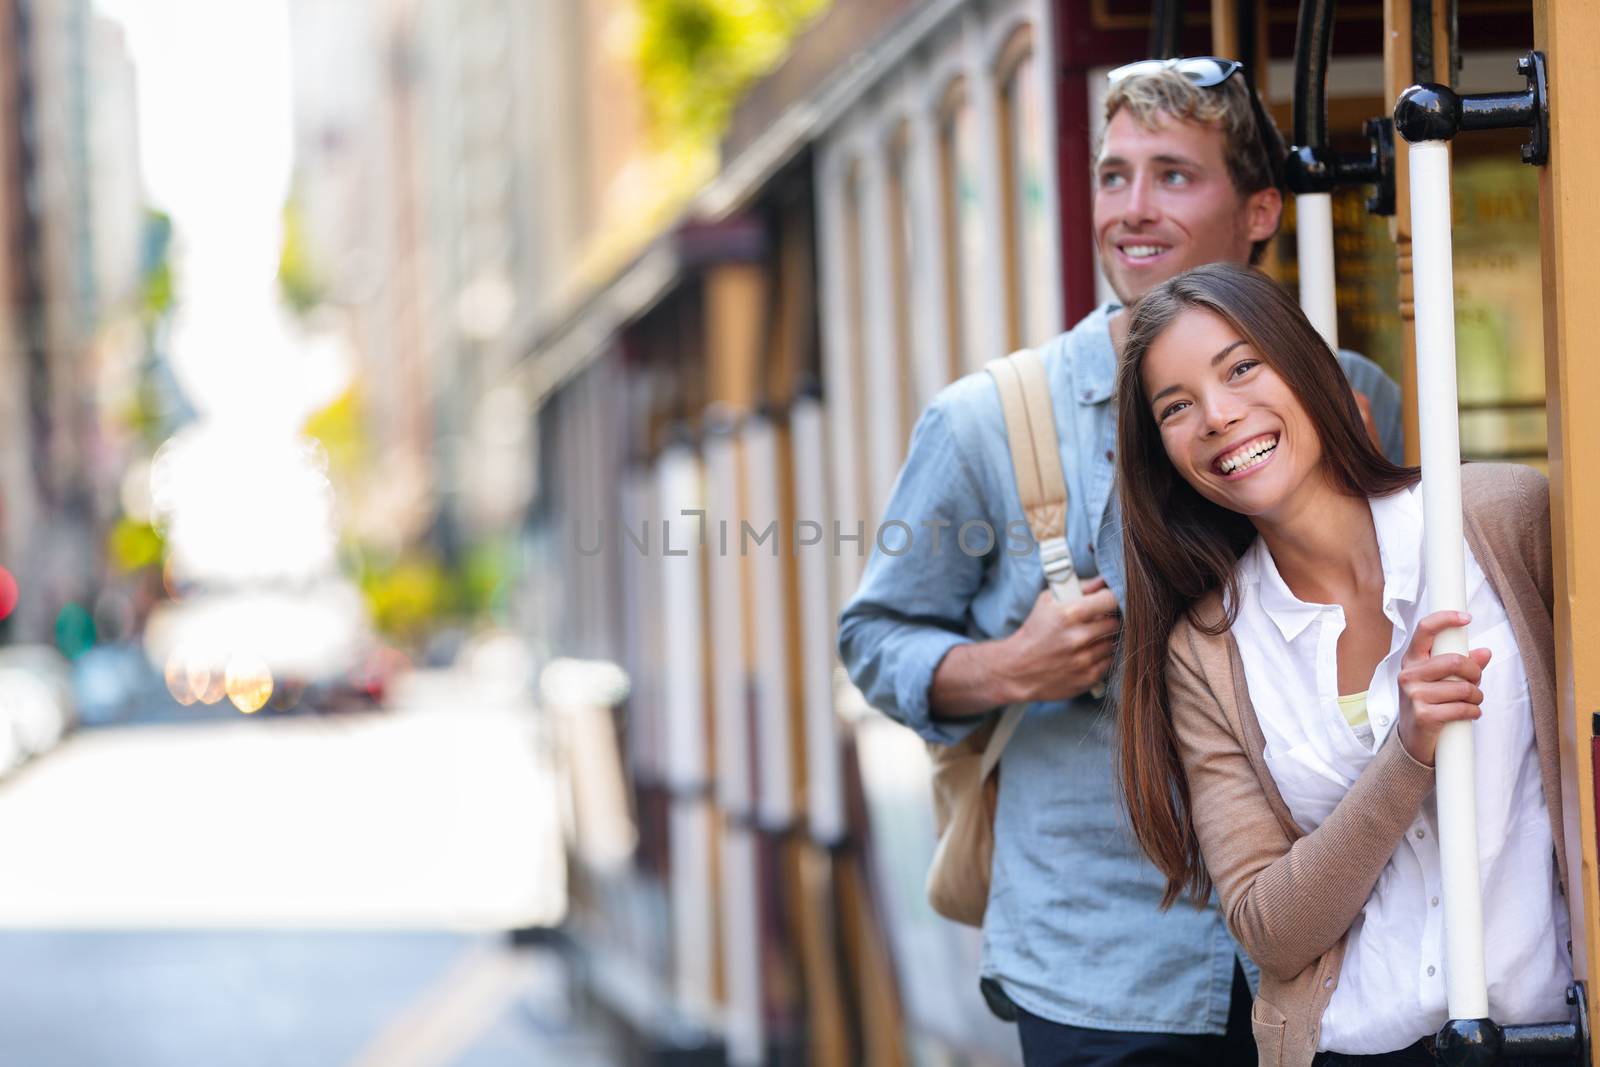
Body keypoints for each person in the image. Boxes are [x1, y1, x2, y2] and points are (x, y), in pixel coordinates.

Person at [837, 58, 1403, 1065]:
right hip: (1104, 968)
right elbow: (872, 635)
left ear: (1260, 209)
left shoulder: (1354, 395)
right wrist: (1009, 667)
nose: (1130, 210)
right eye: (1112, 175)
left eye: (1173, 176)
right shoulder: (983, 421)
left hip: (1339, 947)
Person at [1114, 262, 1572, 1067]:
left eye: (1242, 367)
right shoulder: (1209, 650)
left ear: (1307, 365)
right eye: (1176, 407)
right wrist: (1407, 753)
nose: (1218, 416)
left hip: (1552, 1031)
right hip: (1359, 1047)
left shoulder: (1500, 518)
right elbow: (1269, 926)